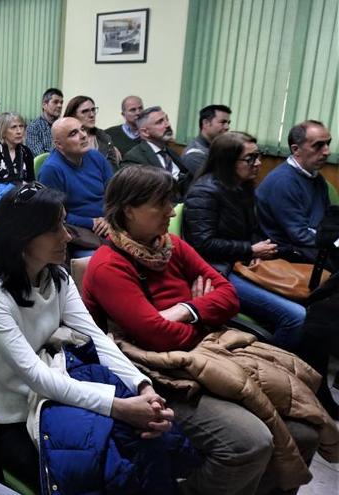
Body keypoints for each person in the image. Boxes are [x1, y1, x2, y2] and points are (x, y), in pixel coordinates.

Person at [82, 165, 326, 495]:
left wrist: (188, 310)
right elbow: (157, 336)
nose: (171, 211)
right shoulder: (108, 265)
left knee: (306, 432)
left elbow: (229, 295)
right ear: (129, 210)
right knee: (250, 443)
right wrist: (205, 316)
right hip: (157, 372)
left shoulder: (171, 246)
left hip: (205, 350)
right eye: (161, 204)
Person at [0, 183, 187, 492]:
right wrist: (120, 407)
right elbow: (35, 376)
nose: (67, 235)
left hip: (58, 384)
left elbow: (96, 338)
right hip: (15, 411)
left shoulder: (56, 276)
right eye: (55, 229)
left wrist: (142, 386)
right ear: (22, 237)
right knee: (105, 468)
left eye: (64, 224)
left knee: (149, 444)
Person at [183, 131, 305, 349]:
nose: (258, 163)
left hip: (240, 263)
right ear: (228, 161)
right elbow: (203, 244)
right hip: (216, 270)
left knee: (310, 299)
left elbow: (253, 230)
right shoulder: (203, 192)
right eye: (250, 159)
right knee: (296, 316)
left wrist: (253, 252)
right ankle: (277, 368)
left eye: (258, 156)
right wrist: (249, 250)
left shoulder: (242, 187)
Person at [256, 120, 333, 265]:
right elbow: (299, 235)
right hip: (288, 254)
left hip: (311, 247)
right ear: (296, 149)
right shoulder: (282, 181)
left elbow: (327, 221)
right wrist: (333, 241)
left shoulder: (317, 178)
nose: (327, 151)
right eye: (318, 145)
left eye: (328, 143)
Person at [37, 117, 113, 255]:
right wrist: (92, 222)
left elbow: (116, 193)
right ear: (59, 145)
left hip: (110, 224)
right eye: (73, 133)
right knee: (106, 260)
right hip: (80, 234)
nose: (83, 135)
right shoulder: (51, 170)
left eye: (82, 129)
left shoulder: (96, 157)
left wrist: (109, 219)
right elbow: (54, 214)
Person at [120, 106, 191, 196]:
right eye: (159, 122)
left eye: (167, 119)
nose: (167, 125)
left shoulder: (170, 152)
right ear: (145, 132)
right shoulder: (134, 159)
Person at [64, 95, 121, 170]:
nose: (92, 115)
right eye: (85, 111)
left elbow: (113, 171)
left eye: (93, 110)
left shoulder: (104, 138)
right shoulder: (63, 138)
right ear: (73, 115)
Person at [181, 104, 231, 177]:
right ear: (206, 123)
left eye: (228, 123)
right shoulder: (193, 154)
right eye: (223, 122)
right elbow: (215, 183)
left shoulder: (219, 147)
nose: (227, 127)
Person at [25, 88, 63, 156]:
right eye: (55, 102)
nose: (60, 105)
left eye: (61, 103)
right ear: (44, 105)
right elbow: (40, 157)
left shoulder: (64, 125)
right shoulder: (34, 127)